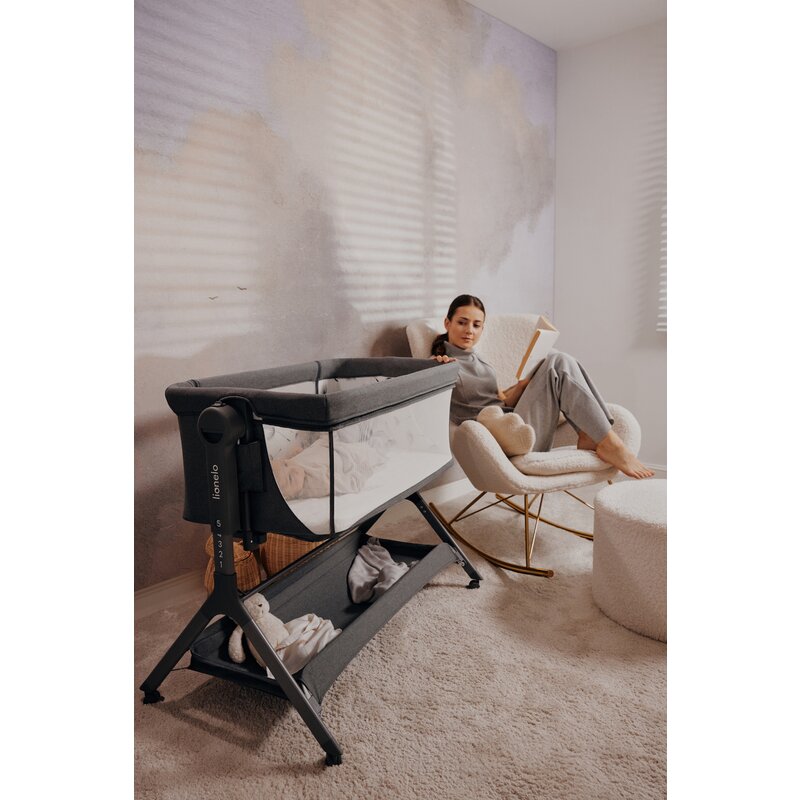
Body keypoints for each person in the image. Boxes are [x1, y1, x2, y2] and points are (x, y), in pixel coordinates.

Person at [431, 294, 653, 479]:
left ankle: (591, 434)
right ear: (447, 323)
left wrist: (523, 385)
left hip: (514, 421)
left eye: (476, 325)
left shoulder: (479, 360)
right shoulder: (440, 364)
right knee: (559, 362)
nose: (469, 330)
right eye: (462, 322)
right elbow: (430, 394)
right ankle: (608, 442)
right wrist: (437, 367)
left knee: (557, 358)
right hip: (499, 440)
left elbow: (501, 399)